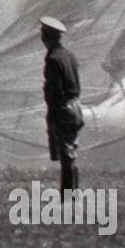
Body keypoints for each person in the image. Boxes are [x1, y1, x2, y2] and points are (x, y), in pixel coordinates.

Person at [41, 17, 83, 192]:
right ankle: (72, 191)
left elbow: (55, 91)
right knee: (71, 151)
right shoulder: (69, 55)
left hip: (63, 109)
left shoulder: (53, 58)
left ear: (45, 37)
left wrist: (52, 115)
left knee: (67, 155)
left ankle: (68, 195)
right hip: (75, 106)